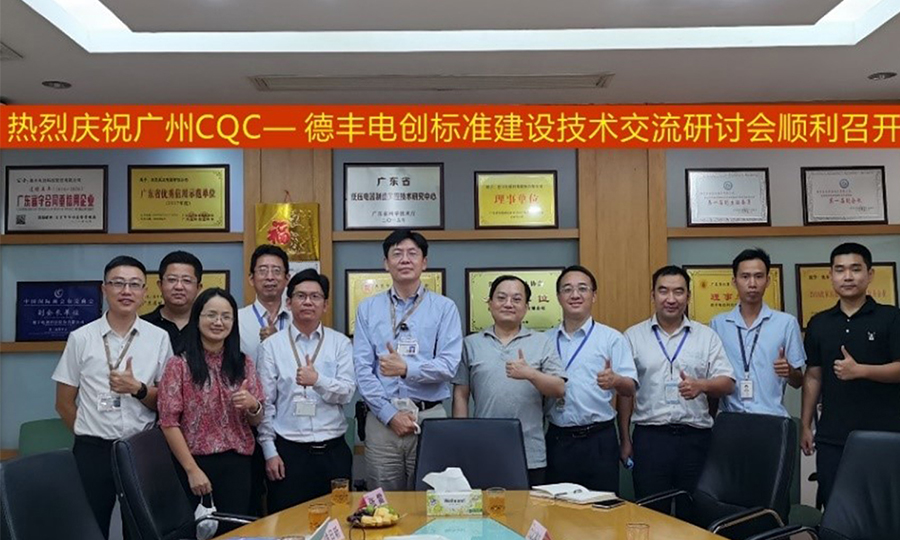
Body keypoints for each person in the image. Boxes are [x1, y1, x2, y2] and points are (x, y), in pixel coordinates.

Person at [53, 256, 172, 539]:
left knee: (141, 529)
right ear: (104, 289)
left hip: (139, 449)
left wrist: (137, 389)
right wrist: (88, 432)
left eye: (134, 284)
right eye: (118, 283)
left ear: (145, 292)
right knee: (91, 528)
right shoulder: (81, 337)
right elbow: (63, 402)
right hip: (92, 451)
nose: (126, 291)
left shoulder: (158, 338)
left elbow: (166, 403)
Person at [353, 229, 463, 491]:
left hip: (429, 417)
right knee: (383, 499)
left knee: (431, 497)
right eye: (397, 254)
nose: (405, 259)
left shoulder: (444, 308)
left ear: (424, 262)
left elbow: (449, 366)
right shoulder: (367, 309)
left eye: (412, 253)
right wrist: (389, 414)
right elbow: (362, 369)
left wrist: (406, 369)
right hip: (381, 419)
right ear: (386, 263)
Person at [618, 265, 735, 504]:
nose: (671, 299)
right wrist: (625, 438)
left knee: (693, 512)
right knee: (651, 511)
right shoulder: (633, 336)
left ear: (688, 296)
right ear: (653, 295)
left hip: (695, 439)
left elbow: (728, 383)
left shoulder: (706, 336)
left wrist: (702, 385)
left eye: (678, 292)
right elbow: (625, 392)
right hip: (650, 438)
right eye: (663, 291)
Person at [801, 242, 900, 508]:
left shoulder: (891, 318)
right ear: (830, 275)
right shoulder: (819, 323)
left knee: (881, 510)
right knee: (835, 507)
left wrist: (861, 370)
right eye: (840, 270)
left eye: (855, 269)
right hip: (832, 437)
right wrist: (806, 425)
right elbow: (813, 376)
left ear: (870, 274)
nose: (847, 276)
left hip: (884, 435)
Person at [452, 275, 567, 487]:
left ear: (526, 307)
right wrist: (462, 437)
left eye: (516, 299)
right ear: (489, 304)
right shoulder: (471, 344)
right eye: (501, 297)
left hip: (529, 451)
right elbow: (461, 394)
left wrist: (531, 374)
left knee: (529, 508)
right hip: (482, 449)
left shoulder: (542, 342)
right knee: (485, 507)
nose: (508, 304)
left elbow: (559, 388)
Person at [158, 288, 265, 514]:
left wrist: (253, 405)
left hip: (237, 465)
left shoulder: (244, 363)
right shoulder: (179, 365)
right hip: (193, 463)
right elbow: (168, 423)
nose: (218, 322)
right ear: (197, 319)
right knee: (196, 528)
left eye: (226, 316)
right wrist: (191, 470)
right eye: (211, 315)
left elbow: (256, 420)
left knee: (236, 529)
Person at [258, 269, 355, 512]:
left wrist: (317, 380)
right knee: (287, 523)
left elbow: (347, 392)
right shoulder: (272, 346)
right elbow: (266, 403)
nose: (308, 302)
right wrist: (269, 451)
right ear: (288, 303)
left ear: (325, 304)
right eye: (301, 296)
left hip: (333, 452)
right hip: (289, 453)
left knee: (338, 521)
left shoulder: (340, 343)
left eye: (315, 296)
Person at [545, 265, 637, 492]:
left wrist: (615, 380)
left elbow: (630, 388)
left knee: (602, 507)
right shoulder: (545, 340)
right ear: (558, 297)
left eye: (582, 289)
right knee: (558, 506)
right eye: (567, 289)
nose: (575, 295)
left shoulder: (611, 338)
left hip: (599, 439)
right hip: (558, 439)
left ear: (594, 296)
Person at [711, 248, 804, 417]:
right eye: (745, 277)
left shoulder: (786, 323)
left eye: (759, 276)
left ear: (767, 280)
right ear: (734, 281)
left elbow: (798, 381)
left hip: (772, 418)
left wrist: (789, 371)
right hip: (731, 418)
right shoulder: (718, 324)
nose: (752, 283)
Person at [238, 244, 291, 364]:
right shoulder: (237, 320)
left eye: (276, 271)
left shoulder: (298, 320)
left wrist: (279, 341)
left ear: (287, 279)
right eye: (263, 271)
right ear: (251, 279)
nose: (270, 277)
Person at [142, 250, 203, 352]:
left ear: (198, 287)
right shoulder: (142, 326)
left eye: (187, 280)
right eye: (172, 280)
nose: (179, 287)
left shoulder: (208, 326)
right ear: (160, 285)